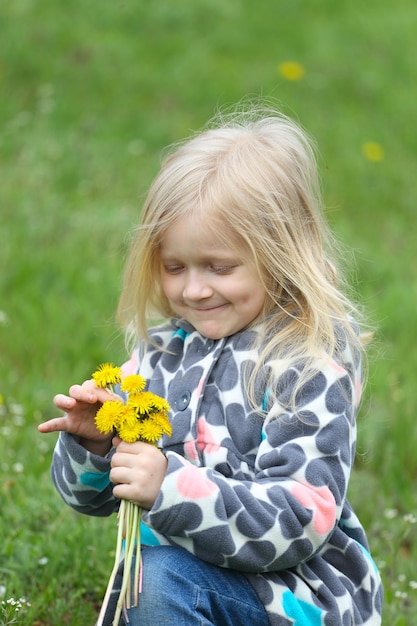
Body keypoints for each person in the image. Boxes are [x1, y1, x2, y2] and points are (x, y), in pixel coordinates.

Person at [38, 104, 383, 626]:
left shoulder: (309, 358)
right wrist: (95, 446)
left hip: (294, 602)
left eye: (219, 268)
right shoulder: (160, 353)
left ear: (280, 254)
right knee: (142, 584)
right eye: (175, 267)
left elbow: (299, 520)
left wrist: (169, 487)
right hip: (188, 580)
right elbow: (91, 501)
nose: (194, 290)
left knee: (150, 584)